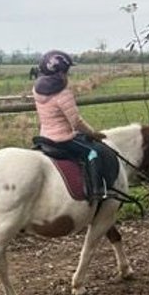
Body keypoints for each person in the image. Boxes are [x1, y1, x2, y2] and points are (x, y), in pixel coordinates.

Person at [32, 49, 109, 202]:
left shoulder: (37, 90)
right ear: (62, 72)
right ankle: (96, 191)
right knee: (92, 152)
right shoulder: (63, 93)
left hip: (44, 137)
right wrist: (92, 133)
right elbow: (76, 122)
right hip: (62, 139)